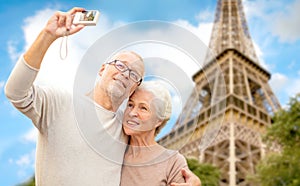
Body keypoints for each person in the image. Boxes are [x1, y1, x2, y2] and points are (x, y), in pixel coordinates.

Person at [5, 7, 200, 186]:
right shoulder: (60, 102)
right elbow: (15, 92)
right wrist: (47, 36)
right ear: (101, 69)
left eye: (134, 75)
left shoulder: (126, 127)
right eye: (120, 65)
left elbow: (152, 151)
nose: (125, 73)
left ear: (133, 89)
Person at [121, 81, 201, 186]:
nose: (132, 113)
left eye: (143, 108)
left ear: (158, 121)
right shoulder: (114, 150)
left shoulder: (173, 162)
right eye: (130, 105)